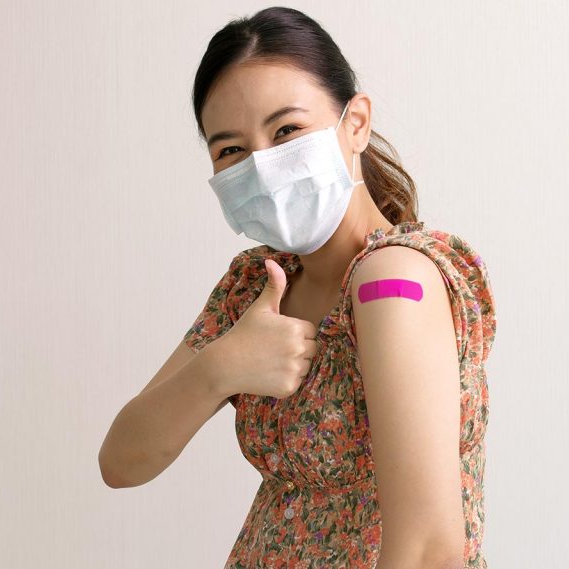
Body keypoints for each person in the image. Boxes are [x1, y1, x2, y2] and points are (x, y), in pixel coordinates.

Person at [98, 7, 497, 568]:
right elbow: (122, 461)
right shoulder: (255, 287)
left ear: (355, 123)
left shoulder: (393, 282)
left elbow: (430, 548)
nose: (262, 167)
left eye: (287, 130)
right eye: (231, 149)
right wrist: (222, 367)